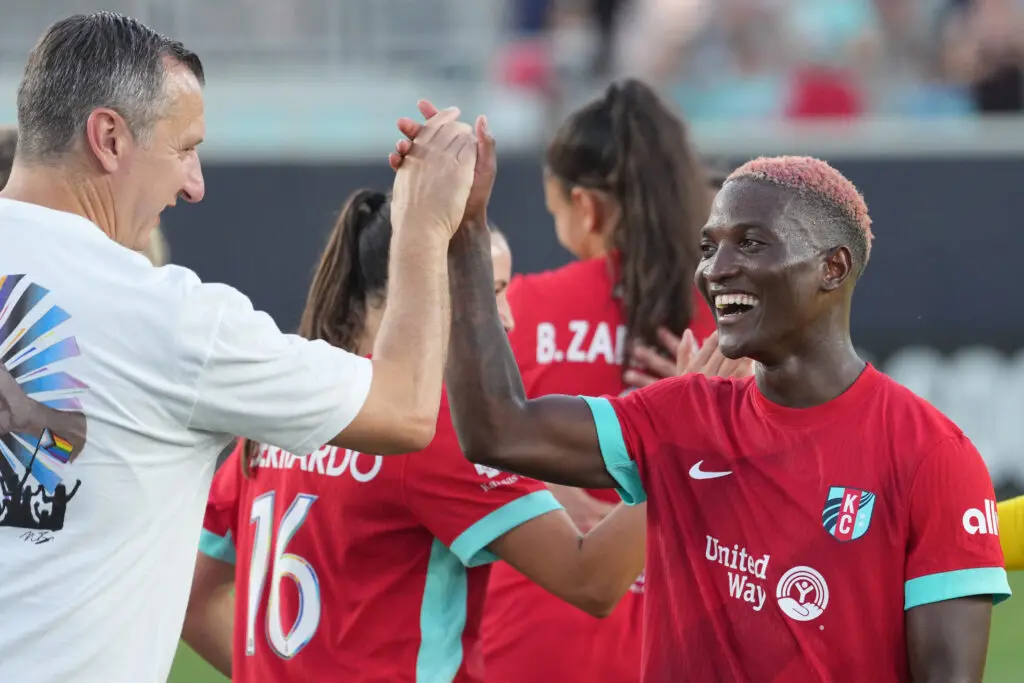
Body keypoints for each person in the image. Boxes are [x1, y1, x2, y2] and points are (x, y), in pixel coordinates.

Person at [0, 12, 477, 683]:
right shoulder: (167, 319)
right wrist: (424, 225)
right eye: (183, 148)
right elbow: (403, 409)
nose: (193, 185)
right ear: (108, 137)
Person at [424, 143, 1012, 681]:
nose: (715, 269)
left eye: (750, 243)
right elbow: (497, 430)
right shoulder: (684, 413)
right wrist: (465, 236)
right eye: (709, 247)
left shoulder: (931, 454)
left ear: (831, 268)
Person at [181, 185, 733, 682]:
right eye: (490, 292)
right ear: (418, 293)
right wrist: (680, 441)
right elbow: (591, 578)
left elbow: (195, 600)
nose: (509, 321)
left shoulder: (289, 407)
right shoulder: (426, 427)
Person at [479, 79, 722, 683]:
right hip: (685, 644)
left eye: (555, 209)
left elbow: (447, 441)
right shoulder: (730, 326)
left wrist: (537, 484)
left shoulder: (520, 309)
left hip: (530, 643)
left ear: (585, 207)